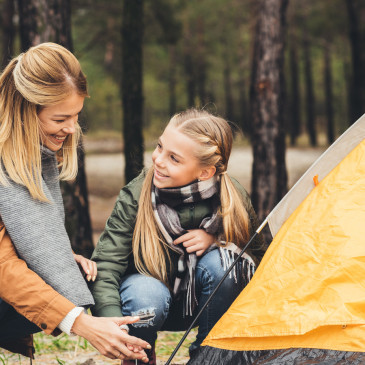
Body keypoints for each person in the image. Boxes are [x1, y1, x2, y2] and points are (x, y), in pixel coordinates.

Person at [0, 42, 150, 363]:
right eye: (60, 119)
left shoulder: (34, 158)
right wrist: (83, 324)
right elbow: (3, 268)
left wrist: (60, 257)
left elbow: (18, 230)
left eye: (76, 115)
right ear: (26, 112)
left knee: (76, 275)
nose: (71, 128)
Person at [91, 109, 266, 364]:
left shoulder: (232, 198)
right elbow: (106, 264)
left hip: (204, 304)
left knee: (226, 263)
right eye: (160, 147)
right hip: (147, 304)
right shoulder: (137, 194)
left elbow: (260, 259)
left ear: (205, 172)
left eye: (174, 158)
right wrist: (111, 322)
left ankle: (210, 355)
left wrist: (217, 241)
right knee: (146, 292)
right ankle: (140, 355)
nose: (158, 160)